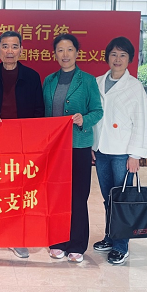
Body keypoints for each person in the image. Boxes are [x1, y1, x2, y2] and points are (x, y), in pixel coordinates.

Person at [0, 30, 45, 259]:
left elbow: (39, 111)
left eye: (14, 46)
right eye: (5, 46)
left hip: (21, 145)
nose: (9, 51)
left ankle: (16, 238)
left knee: (18, 191)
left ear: (21, 50)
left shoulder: (32, 76)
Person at [42, 34, 103, 263]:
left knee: (78, 196)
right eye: (60, 50)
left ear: (77, 53)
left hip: (78, 146)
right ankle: (58, 240)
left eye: (69, 49)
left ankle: (77, 243)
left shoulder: (87, 81)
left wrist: (83, 119)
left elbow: (97, 111)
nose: (65, 54)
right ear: (54, 54)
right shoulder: (49, 81)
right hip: (55, 148)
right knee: (57, 196)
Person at [92, 36, 147, 265]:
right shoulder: (97, 82)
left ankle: (121, 246)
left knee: (122, 199)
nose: (117, 59)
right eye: (114, 54)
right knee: (108, 197)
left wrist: (135, 155)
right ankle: (110, 236)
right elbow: (95, 117)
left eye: (123, 55)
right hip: (102, 150)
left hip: (122, 153)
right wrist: (92, 145)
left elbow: (141, 122)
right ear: (107, 57)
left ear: (130, 59)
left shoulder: (134, 87)